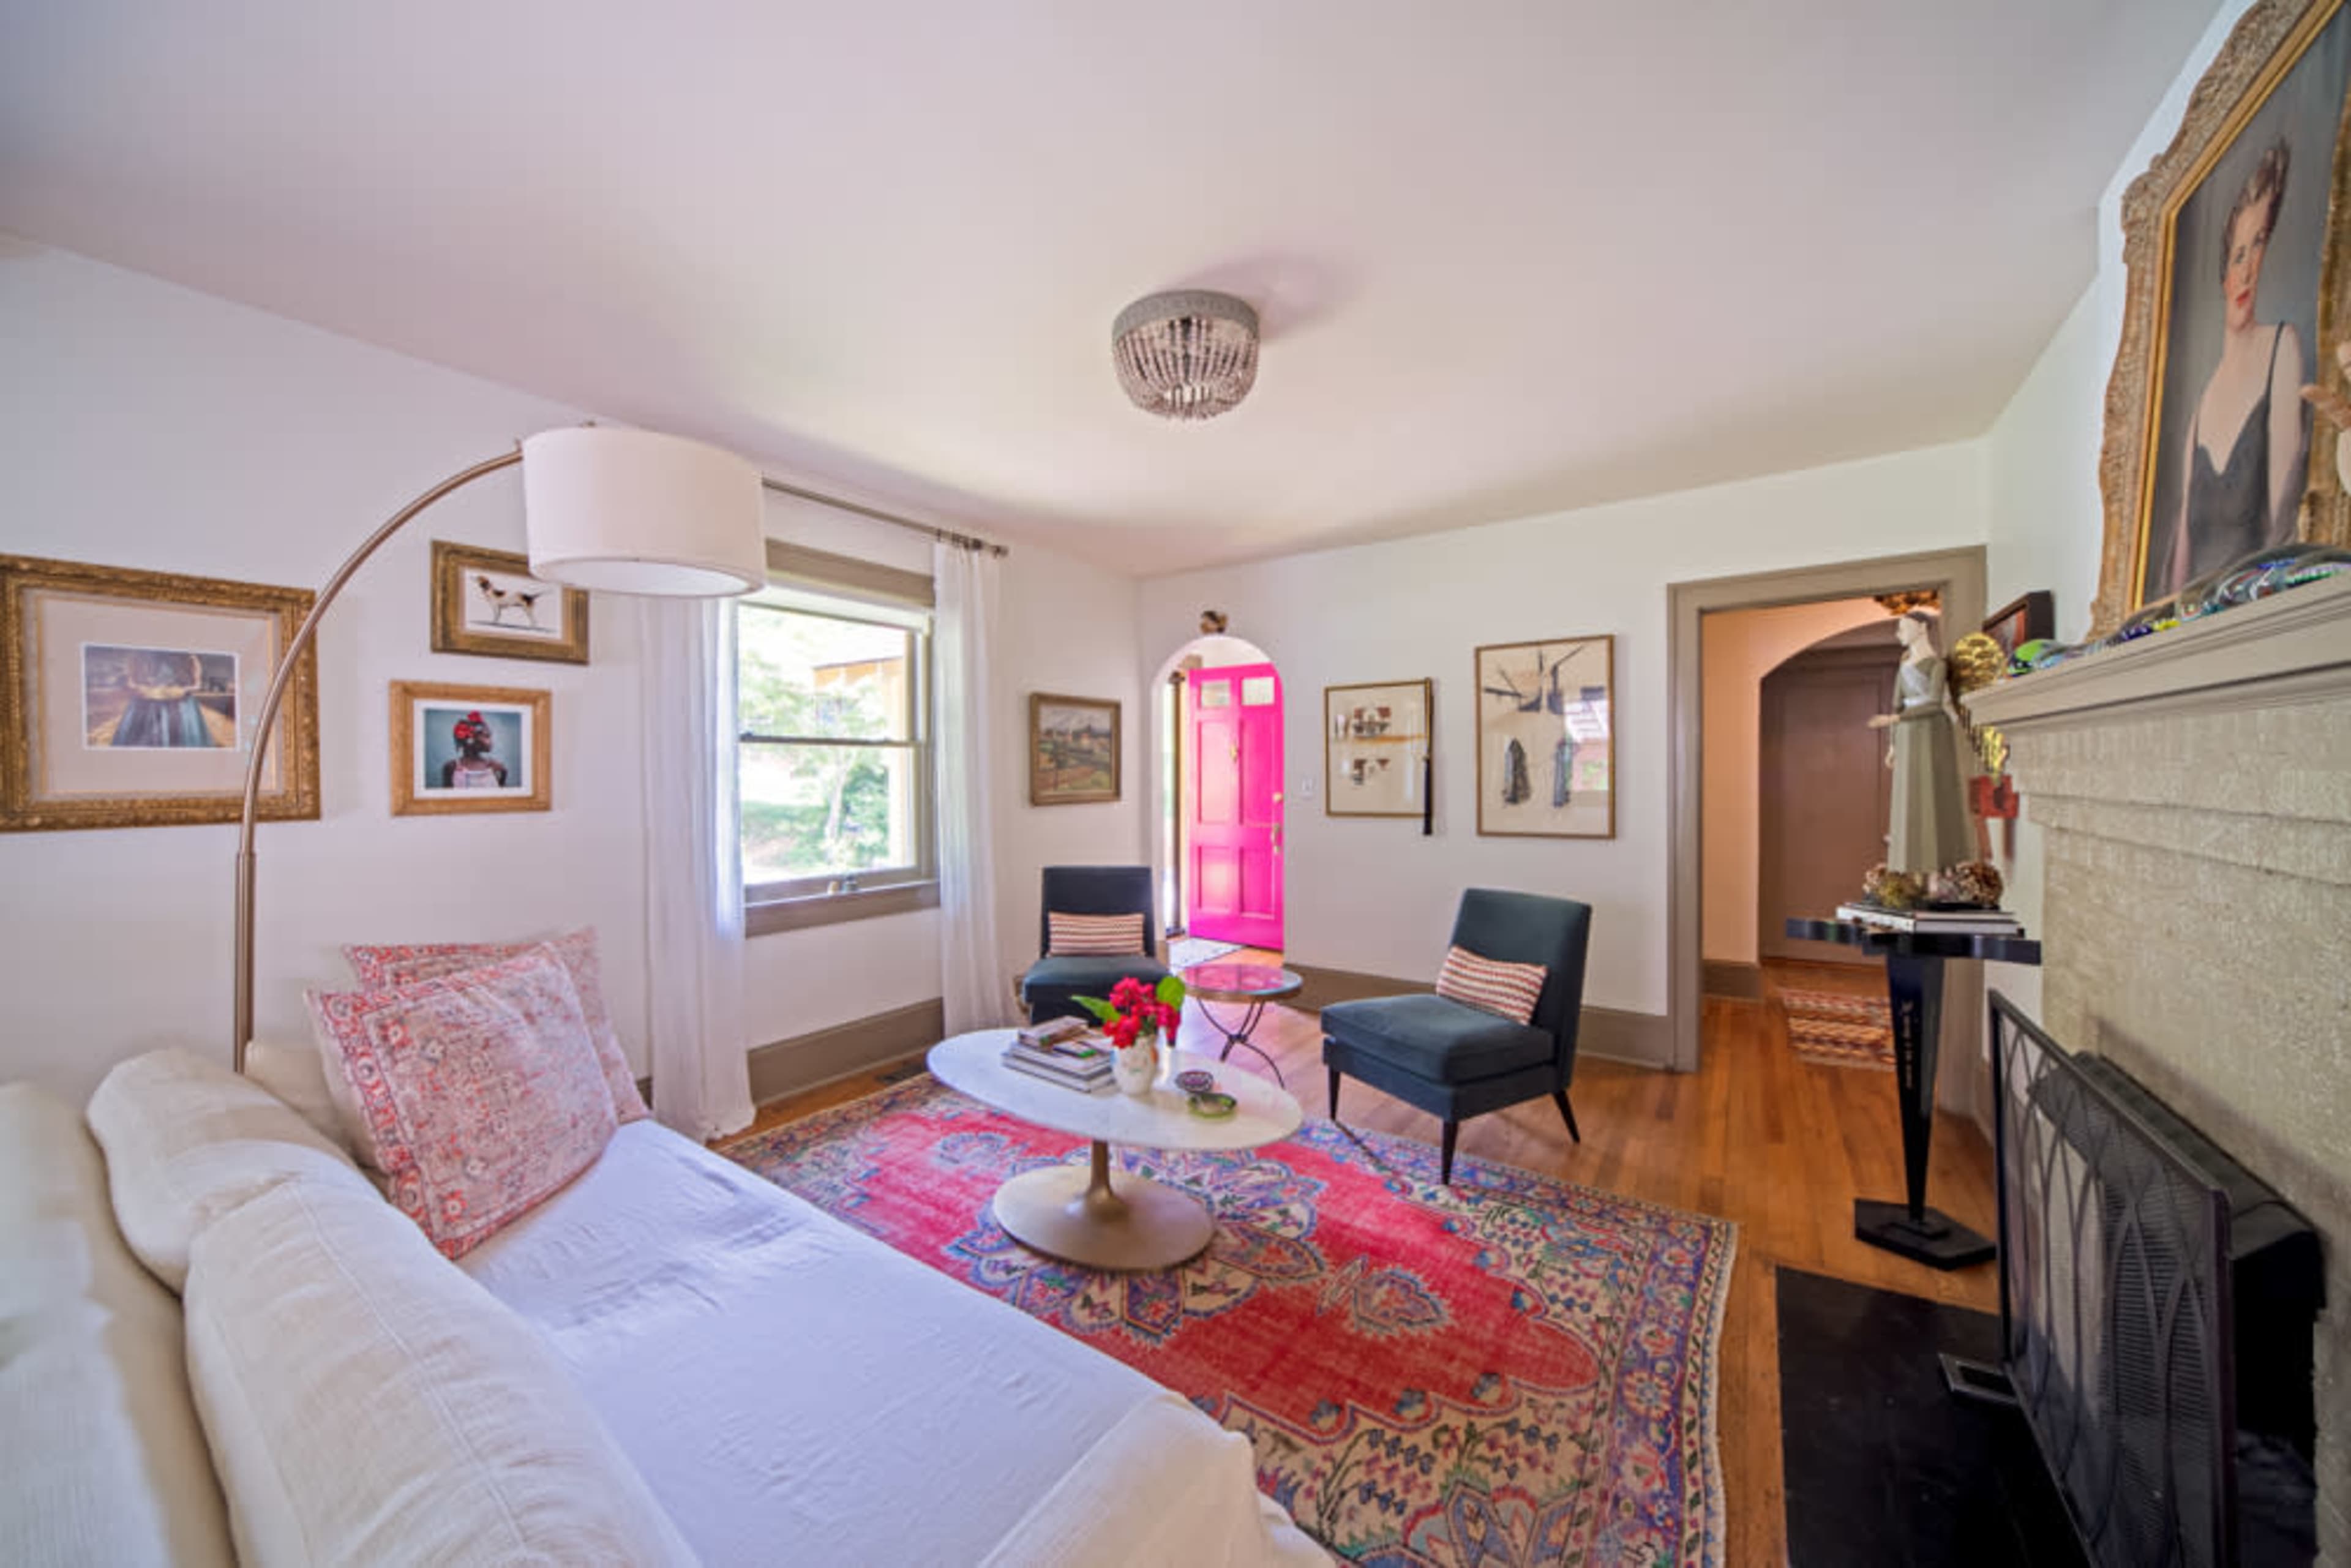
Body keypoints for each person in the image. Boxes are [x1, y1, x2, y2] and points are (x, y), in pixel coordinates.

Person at [2158, 140, 2309, 599]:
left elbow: (2283, 527)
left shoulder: (2282, 350)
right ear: (2224, 272)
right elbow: (2182, 554)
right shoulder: (2202, 406)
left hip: (2256, 612)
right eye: (2238, 254)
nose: (2247, 271)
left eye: (2259, 243)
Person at [1867, 611, 1970, 876]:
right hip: (1908, 734)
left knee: (1935, 793)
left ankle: (1941, 870)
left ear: (1922, 627)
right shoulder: (1904, 664)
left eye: (1904, 627)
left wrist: (1894, 718)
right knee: (1907, 798)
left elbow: (1935, 702)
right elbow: (1896, 701)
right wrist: (1893, 744)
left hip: (1931, 731)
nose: (1899, 633)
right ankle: (1908, 871)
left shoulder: (1937, 665)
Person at [440, 711, 509, 789]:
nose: (491, 741)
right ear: (471, 740)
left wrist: (503, 776)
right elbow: (446, 796)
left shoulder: (494, 767)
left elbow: (501, 794)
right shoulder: (452, 767)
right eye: (487, 736)